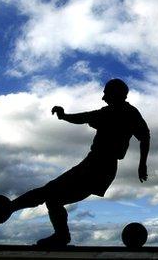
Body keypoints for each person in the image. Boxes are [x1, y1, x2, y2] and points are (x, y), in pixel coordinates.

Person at [9, 78, 150, 246]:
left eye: (106, 93)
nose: (103, 97)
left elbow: (144, 137)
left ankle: (9, 208)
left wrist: (142, 164)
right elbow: (84, 117)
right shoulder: (109, 113)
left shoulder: (126, 113)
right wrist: (64, 116)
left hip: (98, 166)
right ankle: (59, 235)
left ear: (115, 94)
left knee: (50, 192)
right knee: (53, 198)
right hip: (97, 165)